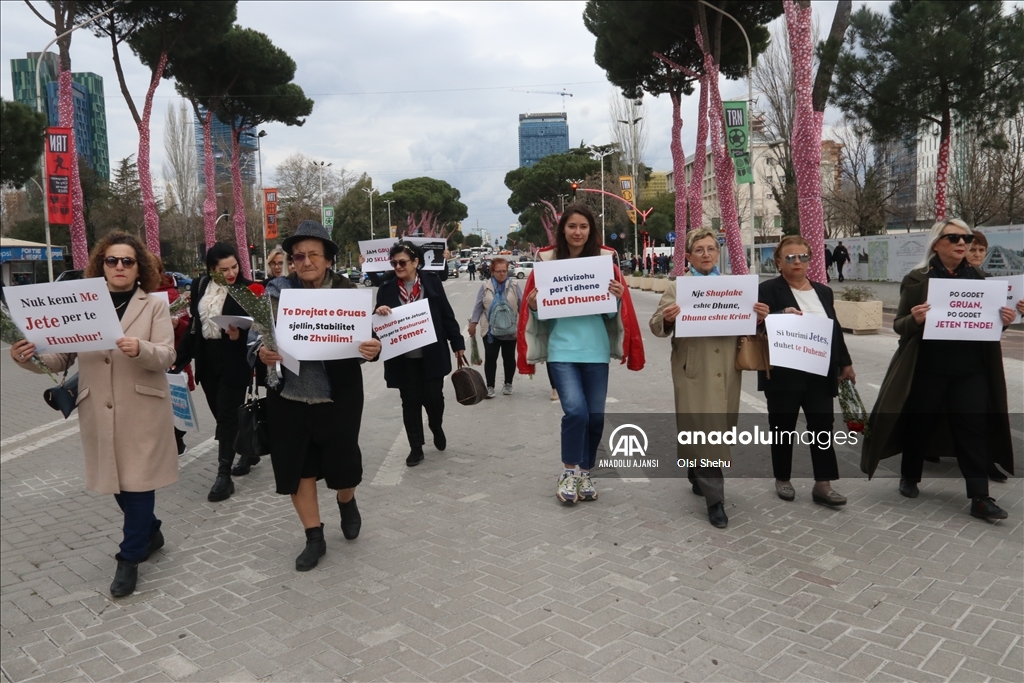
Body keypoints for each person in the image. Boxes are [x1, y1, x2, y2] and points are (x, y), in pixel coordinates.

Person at [11, 232, 177, 598]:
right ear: (100, 265)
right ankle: (150, 532)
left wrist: (141, 348)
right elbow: (59, 359)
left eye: (127, 261)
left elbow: (167, 355)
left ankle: (128, 559)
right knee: (119, 483)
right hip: (99, 410)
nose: (119, 267)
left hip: (142, 409)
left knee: (137, 485)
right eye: (111, 260)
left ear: (139, 268)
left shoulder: (154, 306)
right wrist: (29, 357)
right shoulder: (82, 304)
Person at [862, 219, 1018, 521]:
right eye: (954, 238)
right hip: (927, 368)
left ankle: (980, 497)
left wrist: (1006, 319)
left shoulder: (983, 281)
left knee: (973, 429)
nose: (962, 243)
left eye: (967, 238)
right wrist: (915, 320)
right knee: (920, 423)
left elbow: (990, 327)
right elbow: (900, 326)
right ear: (937, 243)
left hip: (971, 370)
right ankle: (910, 475)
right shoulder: (917, 280)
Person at [251, 221, 381, 570]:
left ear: (328, 260)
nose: (305, 261)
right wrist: (261, 353)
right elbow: (256, 340)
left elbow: (368, 341)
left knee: (346, 468)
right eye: (298, 256)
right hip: (288, 397)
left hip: (338, 397)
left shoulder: (348, 293)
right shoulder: (275, 293)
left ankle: (346, 500)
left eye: (313, 255)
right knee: (299, 468)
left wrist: (373, 348)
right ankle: (314, 536)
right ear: (291, 261)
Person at [518, 205, 645, 504]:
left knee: (596, 417)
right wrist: (535, 305)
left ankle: (586, 471)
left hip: (596, 351)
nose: (578, 232)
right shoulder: (547, 267)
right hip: (562, 350)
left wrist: (616, 298)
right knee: (575, 411)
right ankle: (569, 471)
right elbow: (538, 318)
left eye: (583, 227)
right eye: (572, 226)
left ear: (591, 231)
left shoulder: (604, 265)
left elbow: (615, 314)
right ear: (563, 230)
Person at [650, 229, 769, 528]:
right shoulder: (678, 288)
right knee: (706, 431)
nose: (706, 254)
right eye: (699, 249)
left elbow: (749, 328)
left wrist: (758, 318)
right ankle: (715, 501)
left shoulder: (734, 287)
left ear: (719, 253)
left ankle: (694, 469)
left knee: (718, 427)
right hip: (694, 369)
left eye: (711, 249)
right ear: (688, 256)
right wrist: (667, 318)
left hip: (727, 370)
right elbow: (655, 326)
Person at [759, 235, 855, 506]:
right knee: (782, 427)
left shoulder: (823, 291)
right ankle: (783, 478)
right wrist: (778, 316)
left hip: (820, 372)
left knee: (823, 427)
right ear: (779, 262)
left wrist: (845, 363)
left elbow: (834, 330)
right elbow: (756, 325)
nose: (797, 262)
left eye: (803, 256)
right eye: (790, 257)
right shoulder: (766, 290)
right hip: (783, 373)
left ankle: (823, 484)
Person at [173, 242, 254, 501]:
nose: (231, 273)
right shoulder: (199, 286)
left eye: (234, 267)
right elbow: (195, 326)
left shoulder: (245, 290)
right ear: (211, 269)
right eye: (224, 269)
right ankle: (248, 448)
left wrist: (238, 335)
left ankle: (223, 476)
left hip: (234, 359)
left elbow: (259, 330)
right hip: (207, 359)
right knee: (221, 414)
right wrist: (179, 359)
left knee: (227, 417)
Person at [375, 242, 466, 466]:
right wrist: (379, 312)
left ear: (415, 262)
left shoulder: (431, 283)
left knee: (434, 399)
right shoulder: (386, 288)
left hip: (432, 355)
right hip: (403, 360)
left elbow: (446, 314)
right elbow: (377, 325)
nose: (398, 266)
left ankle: (436, 425)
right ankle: (416, 447)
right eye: (394, 262)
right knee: (410, 403)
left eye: (403, 262)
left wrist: (457, 342)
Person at [468, 257, 522, 398]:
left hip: (510, 330)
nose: (502, 274)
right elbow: (478, 306)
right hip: (490, 331)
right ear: (492, 271)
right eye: (498, 271)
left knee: (509, 358)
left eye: (504, 271)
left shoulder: (514, 285)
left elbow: (522, 306)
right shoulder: (485, 286)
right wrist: (473, 323)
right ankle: (490, 386)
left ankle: (508, 384)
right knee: (491, 357)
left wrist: (526, 325)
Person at [155, 262, 194, 455]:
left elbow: (188, 327)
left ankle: (177, 440)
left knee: (176, 406)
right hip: (146, 361)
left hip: (173, 360)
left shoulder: (171, 295)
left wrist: (176, 322)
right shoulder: (134, 295)